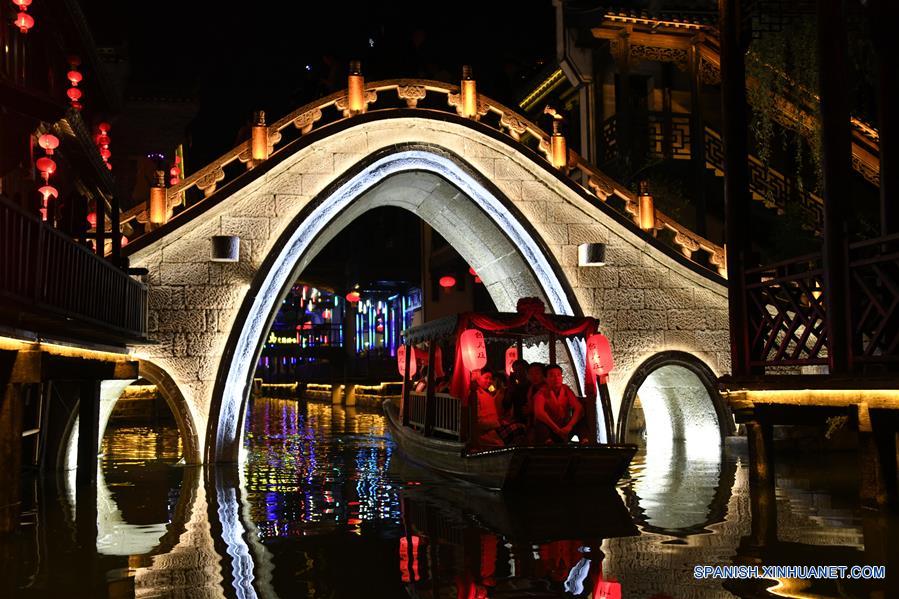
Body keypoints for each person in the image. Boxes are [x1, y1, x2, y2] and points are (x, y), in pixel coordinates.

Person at [471, 369, 524, 447]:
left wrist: (500, 421)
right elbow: (477, 421)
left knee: (520, 427)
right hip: (486, 434)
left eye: (490, 378)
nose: (489, 381)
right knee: (519, 428)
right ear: (478, 377)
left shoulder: (486, 394)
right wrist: (497, 423)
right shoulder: (475, 395)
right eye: (486, 378)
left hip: (494, 430)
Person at [533, 364, 583, 445]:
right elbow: (539, 413)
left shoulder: (566, 389)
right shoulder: (541, 393)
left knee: (581, 421)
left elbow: (578, 408)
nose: (556, 378)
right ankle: (548, 444)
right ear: (545, 379)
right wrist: (556, 429)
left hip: (565, 426)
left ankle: (585, 443)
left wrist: (569, 426)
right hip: (550, 428)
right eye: (552, 375)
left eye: (559, 375)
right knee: (540, 425)